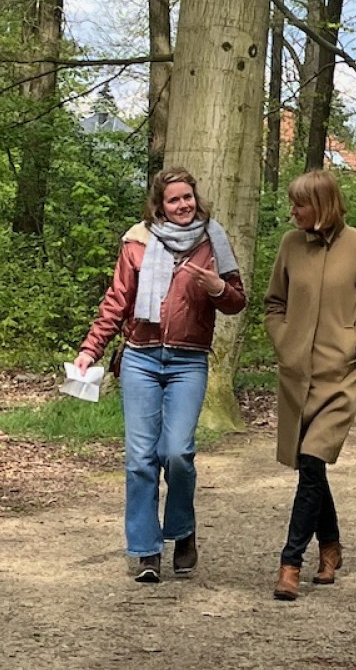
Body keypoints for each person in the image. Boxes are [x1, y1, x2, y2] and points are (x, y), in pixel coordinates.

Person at [74, 168, 247, 584]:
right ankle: (147, 550)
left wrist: (217, 288)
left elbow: (238, 301)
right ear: (159, 206)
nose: (184, 205)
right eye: (174, 200)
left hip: (189, 361)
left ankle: (183, 531)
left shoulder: (213, 240)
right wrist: (88, 350)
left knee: (177, 453)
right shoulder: (137, 242)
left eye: (188, 197)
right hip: (141, 358)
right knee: (139, 459)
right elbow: (116, 302)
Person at [264, 170, 356, 601]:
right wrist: (285, 341)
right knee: (310, 469)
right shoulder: (289, 245)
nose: (292, 211)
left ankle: (290, 563)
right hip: (297, 377)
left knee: (314, 463)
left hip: (340, 377)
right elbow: (274, 304)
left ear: (323, 205)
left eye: (300, 204)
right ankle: (331, 548)